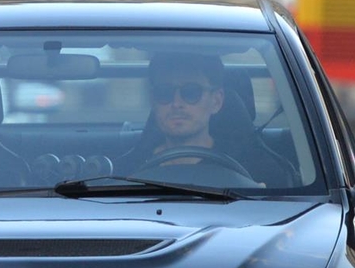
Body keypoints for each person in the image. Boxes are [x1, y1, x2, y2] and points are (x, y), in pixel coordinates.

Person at [124, 52, 294, 185]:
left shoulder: (258, 171)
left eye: (191, 92)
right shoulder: (126, 170)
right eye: (165, 92)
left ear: (216, 101)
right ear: (153, 101)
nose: (176, 103)